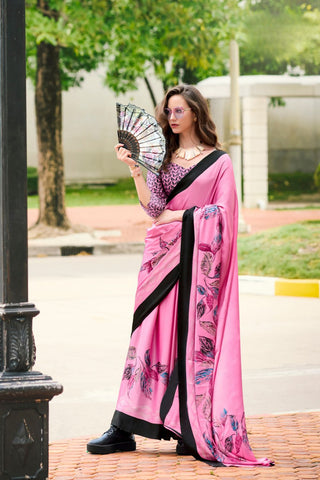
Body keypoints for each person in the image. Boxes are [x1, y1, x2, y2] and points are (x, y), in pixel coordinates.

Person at [87, 85, 272, 467]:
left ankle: (187, 426)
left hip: (198, 266)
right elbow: (154, 208)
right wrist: (136, 169)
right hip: (162, 260)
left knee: (188, 344)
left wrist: (184, 216)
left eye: (179, 111)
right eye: (168, 111)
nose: (172, 117)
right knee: (147, 337)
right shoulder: (165, 158)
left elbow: (223, 216)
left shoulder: (219, 162)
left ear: (196, 114)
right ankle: (122, 426)